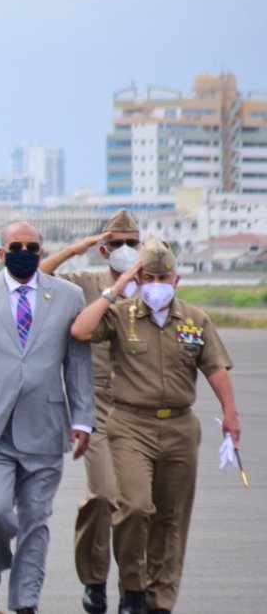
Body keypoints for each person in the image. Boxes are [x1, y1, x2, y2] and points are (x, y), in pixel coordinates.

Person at [70, 236, 241, 614]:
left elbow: (214, 367)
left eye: (164, 277)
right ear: (138, 277)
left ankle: (158, 599)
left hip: (180, 426)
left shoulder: (195, 320)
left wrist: (230, 414)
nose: (157, 284)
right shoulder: (120, 314)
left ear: (176, 280)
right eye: (148, 276)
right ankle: (132, 589)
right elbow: (81, 331)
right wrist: (114, 290)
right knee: (133, 506)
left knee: (171, 516)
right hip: (131, 424)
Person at [0, 220, 94, 614]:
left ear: (42, 251)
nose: (23, 252)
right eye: (15, 246)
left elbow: (77, 365)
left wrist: (83, 419)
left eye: (31, 246)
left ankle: (25, 602)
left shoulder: (68, 296)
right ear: (1, 253)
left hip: (45, 427)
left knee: (35, 522)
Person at [39, 208, 140, 613]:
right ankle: (94, 580)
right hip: (97, 404)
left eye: (132, 243)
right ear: (103, 250)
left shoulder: (152, 285)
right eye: (116, 244)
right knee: (102, 496)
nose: (125, 251)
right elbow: (39, 276)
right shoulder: (86, 284)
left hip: (140, 407)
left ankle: (134, 587)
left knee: (136, 505)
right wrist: (75, 248)